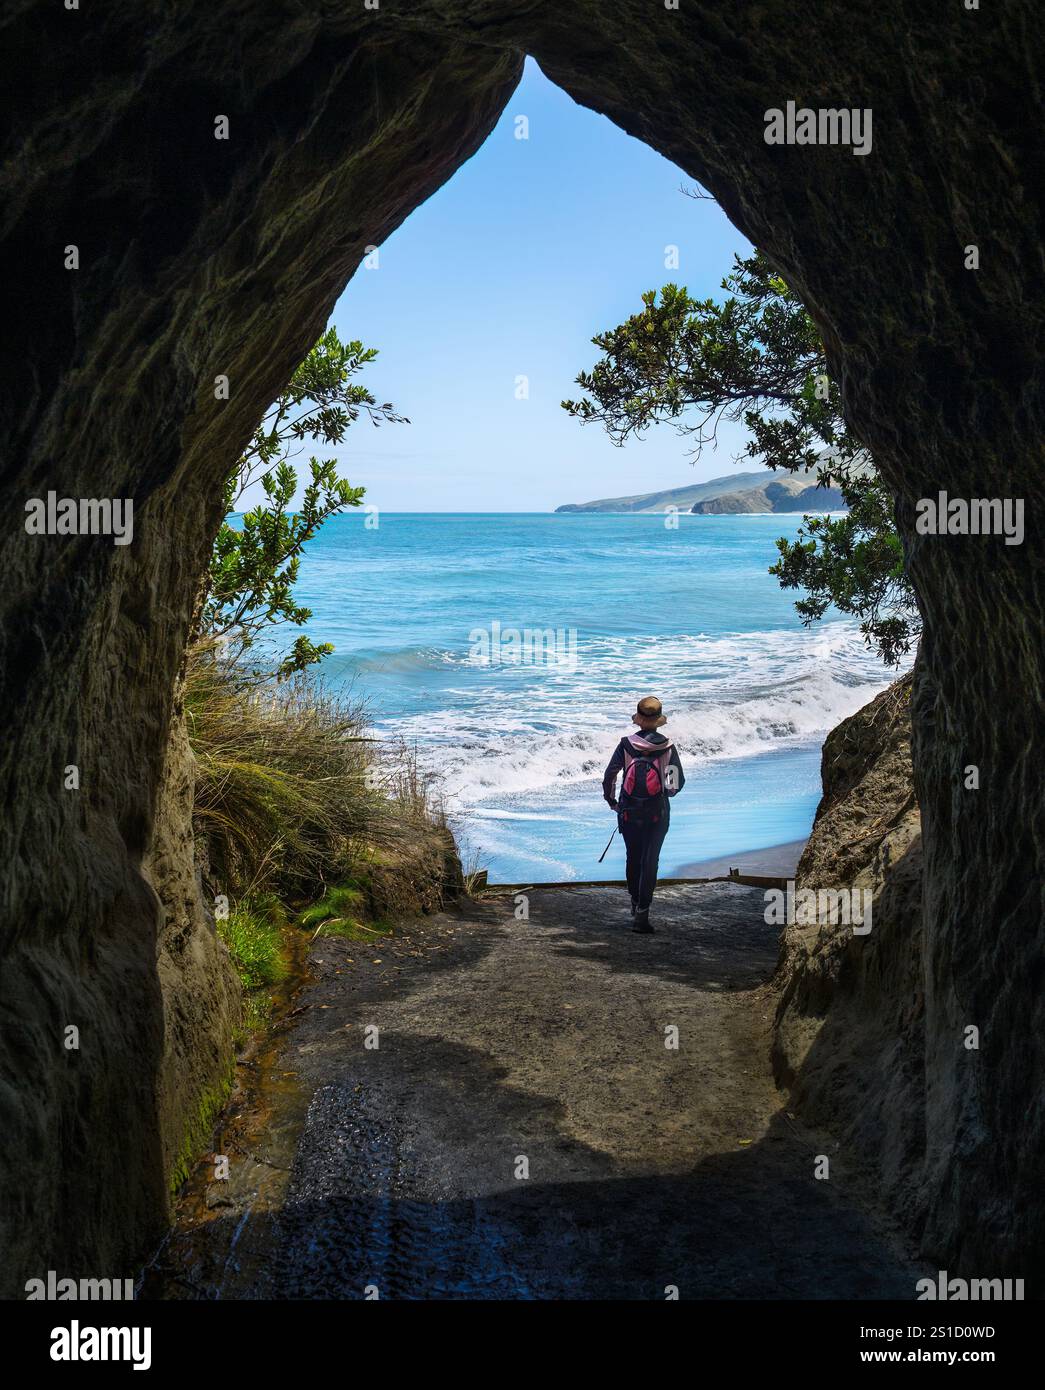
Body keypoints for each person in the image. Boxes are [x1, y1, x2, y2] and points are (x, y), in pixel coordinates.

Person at [602, 696, 685, 933]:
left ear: (638, 720)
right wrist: (664, 790)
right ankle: (642, 913)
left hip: (628, 810)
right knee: (650, 860)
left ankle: (634, 900)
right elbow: (675, 786)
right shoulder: (667, 747)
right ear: (658, 721)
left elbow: (610, 775)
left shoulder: (626, 744)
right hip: (656, 812)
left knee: (633, 856)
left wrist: (612, 801)